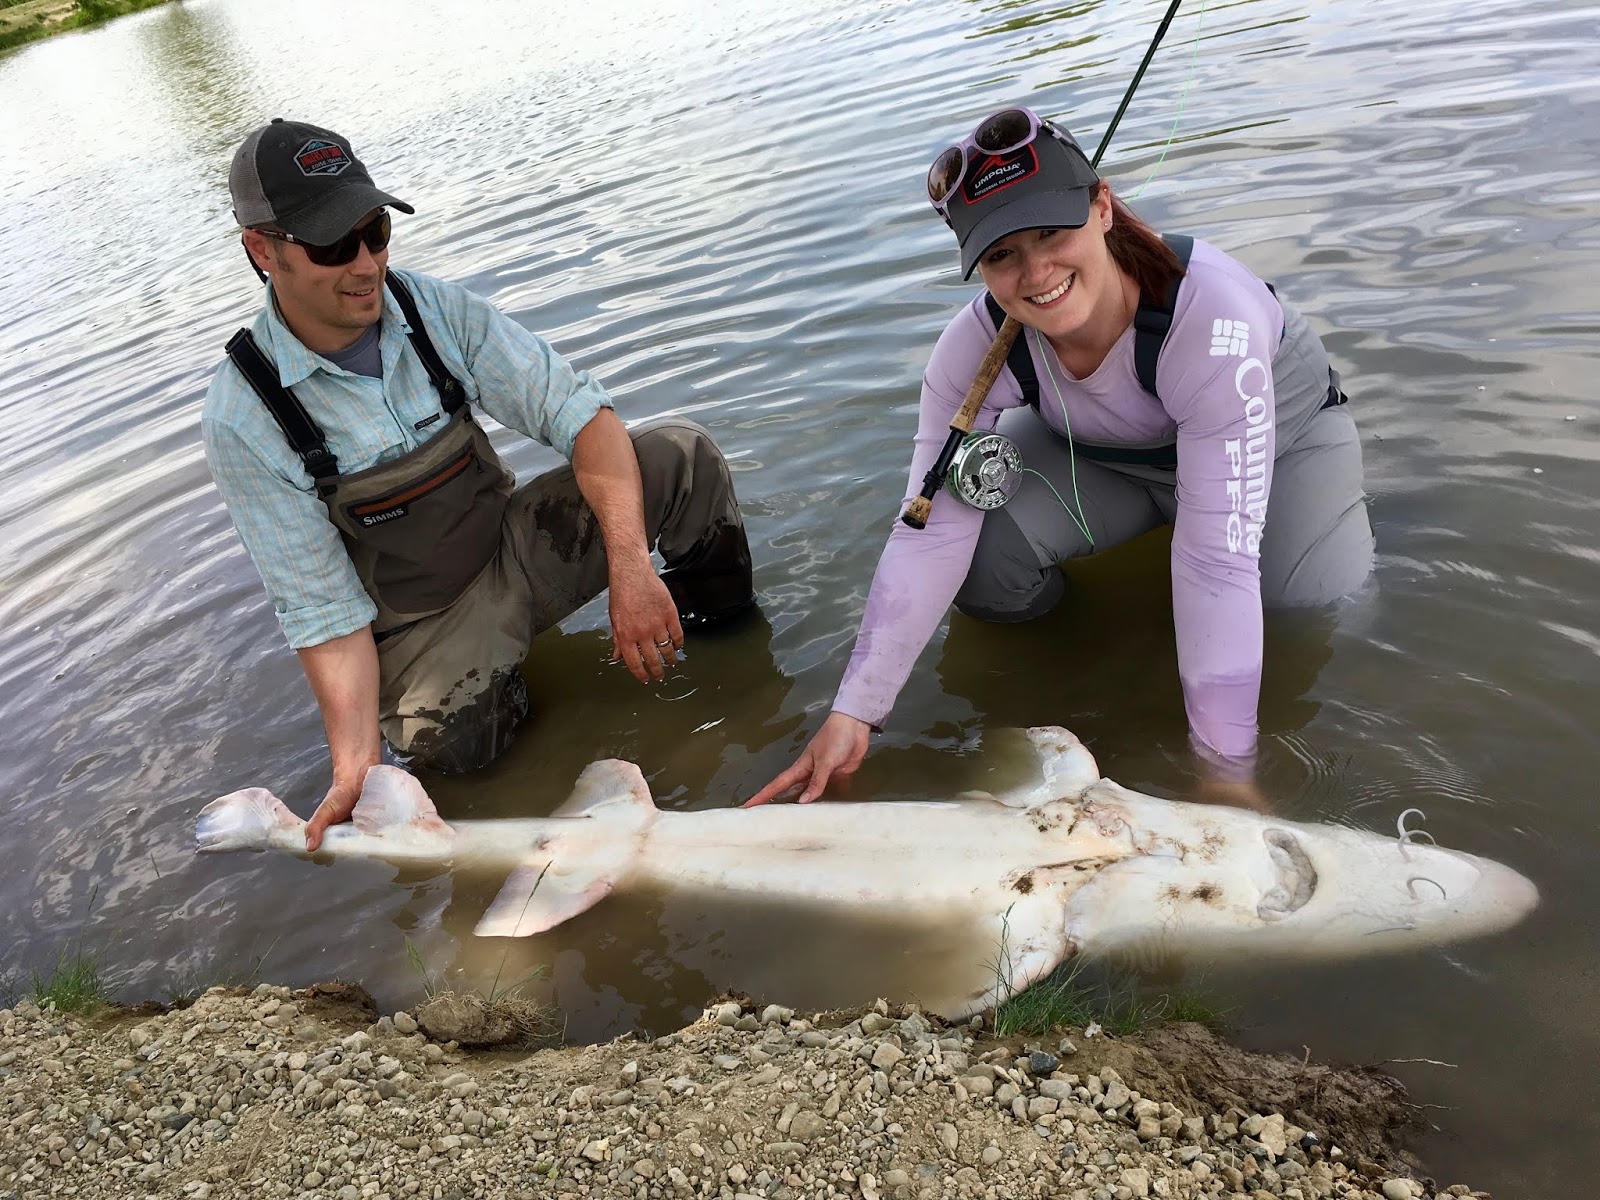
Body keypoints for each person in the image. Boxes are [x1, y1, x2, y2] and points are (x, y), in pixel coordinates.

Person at [749, 105, 1372, 809]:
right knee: (982, 566)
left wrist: (1225, 772)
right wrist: (854, 712)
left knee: (1313, 610)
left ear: (1102, 206)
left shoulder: (1210, 317)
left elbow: (1215, 562)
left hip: (1283, 447)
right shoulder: (970, 350)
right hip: (1110, 461)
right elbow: (926, 529)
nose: (1036, 272)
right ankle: (1093, 641)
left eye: (1051, 231)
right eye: (1001, 255)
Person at [204, 119, 754, 849]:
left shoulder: (434, 311)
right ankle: (511, 721)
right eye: (333, 246)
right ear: (262, 251)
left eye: (374, 232)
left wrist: (630, 568)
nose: (366, 265)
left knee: (682, 457)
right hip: (423, 629)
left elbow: (585, 420)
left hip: (515, 556)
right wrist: (356, 765)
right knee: (460, 749)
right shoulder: (245, 416)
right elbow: (325, 614)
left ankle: (737, 657)